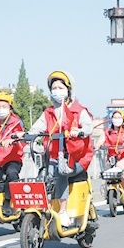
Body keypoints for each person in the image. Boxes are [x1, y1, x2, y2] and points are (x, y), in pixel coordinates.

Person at [24, 71, 94, 227]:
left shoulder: (79, 110)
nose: (57, 91)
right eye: (54, 88)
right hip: (54, 157)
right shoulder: (48, 112)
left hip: (77, 159)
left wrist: (79, 131)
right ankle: (46, 207)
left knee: (61, 171)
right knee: (44, 175)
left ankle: (63, 211)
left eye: (60, 88)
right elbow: (36, 128)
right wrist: (24, 135)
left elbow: (89, 126)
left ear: (68, 90)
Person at [96, 109, 124, 204]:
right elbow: (101, 140)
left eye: (119, 117)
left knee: (121, 166)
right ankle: (107, 193)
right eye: (114, 117)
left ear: (123, 119)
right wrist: (98, 145)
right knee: (107, 173)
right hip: (111, 158)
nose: (116, 119)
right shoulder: (107, 132)